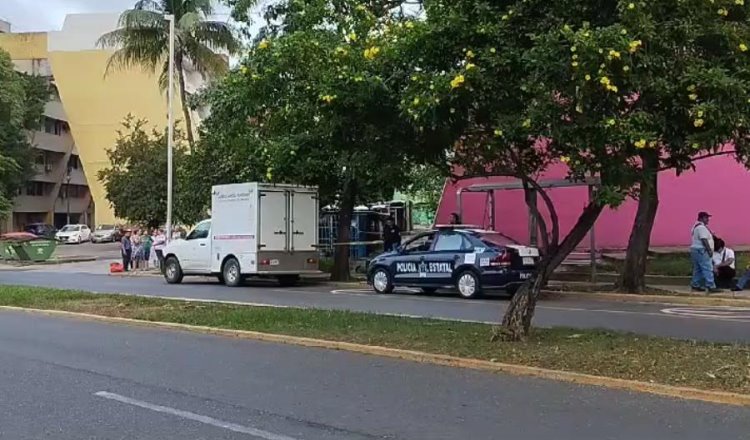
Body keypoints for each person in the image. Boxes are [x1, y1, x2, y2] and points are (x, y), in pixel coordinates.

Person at [690, 211, 720, 293]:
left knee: (698, 269)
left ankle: (695, 284)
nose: (708, 220)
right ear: (701, 218)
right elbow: (704, 239)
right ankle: (710, 285)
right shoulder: (701, 228)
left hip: (696, 250)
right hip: (702, 250)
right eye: (706, 218)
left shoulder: (696, 226)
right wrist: (709, 250)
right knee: (707, 268)